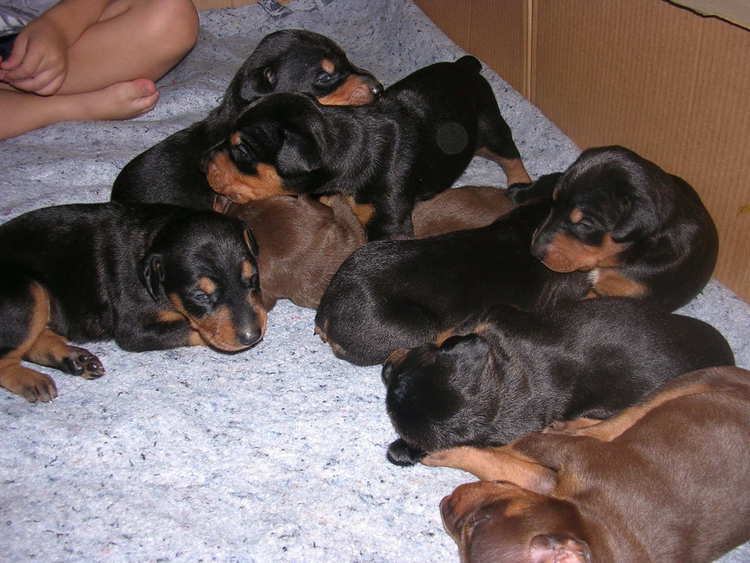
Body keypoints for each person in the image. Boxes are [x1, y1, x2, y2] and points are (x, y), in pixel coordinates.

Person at [0, 0, 199, 140]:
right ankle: (70, 107)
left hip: (61, 35)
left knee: (172, 15)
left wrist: (58, 26)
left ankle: (24, 97)